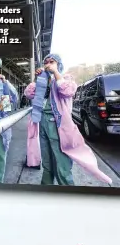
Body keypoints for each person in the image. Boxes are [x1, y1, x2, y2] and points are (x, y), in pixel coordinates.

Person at [24, 53, 112, 187]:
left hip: (58, 125)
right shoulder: (43, 80)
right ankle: (45, 191)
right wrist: (38, 79)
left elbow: (68, 91)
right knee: (47, 162)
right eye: (46, 62)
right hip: (41, 122)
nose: (48, 64)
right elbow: (28, 94)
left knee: (62, 163)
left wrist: (56, 73)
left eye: (52, 61)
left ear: (58, 64)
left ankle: (67, 192)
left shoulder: (65, 79)